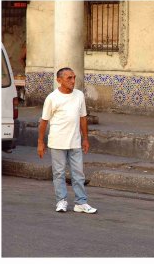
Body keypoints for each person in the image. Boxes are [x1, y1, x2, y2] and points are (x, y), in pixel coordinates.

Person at [37, 67, 97, 214]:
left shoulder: (79, 95)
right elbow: (44, 121)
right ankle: (61, 201)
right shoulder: (52, 98)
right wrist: (40, 142)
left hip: (75, 142)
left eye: (74, 77)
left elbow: (83, 118)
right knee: (59, 173)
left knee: (78, 174)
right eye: (68, 78)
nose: (72, 81)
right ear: (59, 80)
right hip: (57, 142)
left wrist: (85, 139)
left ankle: (80, 203)